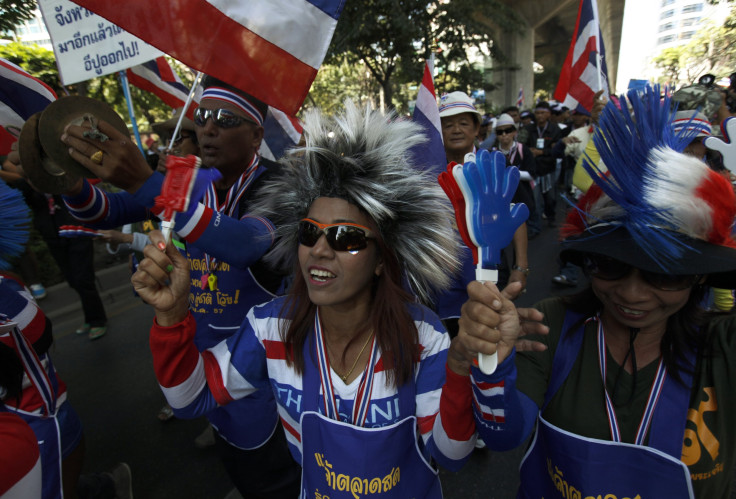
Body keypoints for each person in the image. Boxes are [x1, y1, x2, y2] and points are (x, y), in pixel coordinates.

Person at [132, 101, 478, 497]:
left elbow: (452, 453)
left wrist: (461, 368)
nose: (319, 250)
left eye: (345, 238)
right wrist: (172, 317)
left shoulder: (423, 336)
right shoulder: (270, 326)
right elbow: (189, 398)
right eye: (309, 232)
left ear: (382, 258)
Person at [455, 85, 736, 497]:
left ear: (698, 277)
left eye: (666, 274)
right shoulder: (551, 324)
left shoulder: (724, 348)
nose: (634, 294)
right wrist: (490, 365)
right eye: (610, 266)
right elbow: (503, 437)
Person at [59, 76, 299, 496]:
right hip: (200, 356)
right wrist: (65, 175)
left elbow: (244, 244)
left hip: (260, 369)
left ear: (257, 135)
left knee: (272, 470)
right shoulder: (191, 180)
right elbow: (105, 210)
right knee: (236, 458)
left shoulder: (281, 184)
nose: (207, 128)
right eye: (202, 117)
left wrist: (144, 181)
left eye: (225, 120)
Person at [436, 93, 530, 338]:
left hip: (486, 270)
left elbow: (516, 217)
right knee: (448, 345)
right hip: (442, 279)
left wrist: (521, 267)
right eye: (448, 125)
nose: (456, 130)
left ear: (477, 128)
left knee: (488, 338)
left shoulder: (494, 167)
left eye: (463, 123)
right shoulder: (428, 173)